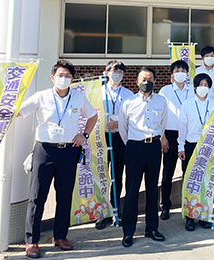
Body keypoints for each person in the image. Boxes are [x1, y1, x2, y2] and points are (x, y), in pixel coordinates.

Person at [14, 60, 97, 258]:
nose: (64, 79)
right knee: (37, 197)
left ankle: (60, 236)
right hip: (44, 150)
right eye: (60, 75)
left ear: (72, 79)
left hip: (69, 151)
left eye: (68, 76)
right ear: (53, 78)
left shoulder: (78, 97)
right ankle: (31, 241)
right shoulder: (41, 97)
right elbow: (18, 111)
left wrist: (84, 135)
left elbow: (92, 116)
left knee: (65, 195)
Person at [118, 67, 167, 247]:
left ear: (155, 81)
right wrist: (133, 143)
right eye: (144, 79)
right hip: (135, 147)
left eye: (151, 78)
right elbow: (123, 128)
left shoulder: (161, 101)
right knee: (132, 190)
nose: (147, 81)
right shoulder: (128, 102)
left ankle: (152, 228)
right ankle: (128, 231)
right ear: (137, 82)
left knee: (153, 188)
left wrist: (155, 139)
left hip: (153, 146)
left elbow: (163, 123)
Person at [95, 60, 134, 229]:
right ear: (106, 72)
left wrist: (117, 123)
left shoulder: (128, 94)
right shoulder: (98, 93)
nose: (117, 74)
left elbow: (132, 116)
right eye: (114, 71)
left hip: (120, 138)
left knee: (117, 176)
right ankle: (103, 213)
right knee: (102, 176)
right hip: (101, 138)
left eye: (120, 72)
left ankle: (116, 209)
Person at [177, 73, 214, 231]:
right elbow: (182, 127)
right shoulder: (187, 104)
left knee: (206, 182)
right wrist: (180, 147)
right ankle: (190, 217)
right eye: (200, 85)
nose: (203, 88)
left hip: (208, 147)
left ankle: (204, 215)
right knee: (191, 182)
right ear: (194, 87)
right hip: (191, 145)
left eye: (206, 85)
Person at [158, 60, 193, 220]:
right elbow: (159, 116)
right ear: (172, 74)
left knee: (188, 172)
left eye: (183, 70)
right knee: (168, 172)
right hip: (170, 135)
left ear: (187, 74)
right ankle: (165, 205)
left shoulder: (192, 90)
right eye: (177, 70)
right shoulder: (165, 91)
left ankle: (189, 206)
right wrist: (162, 137)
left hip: (188, 136)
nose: (180, 73)